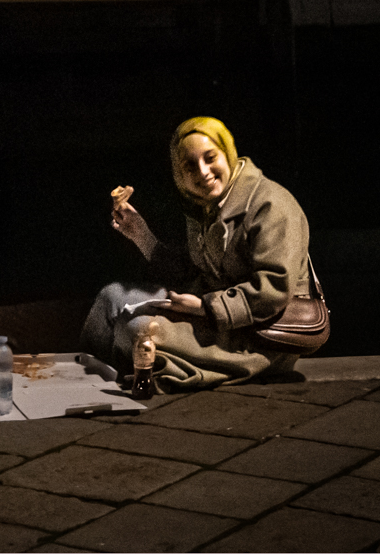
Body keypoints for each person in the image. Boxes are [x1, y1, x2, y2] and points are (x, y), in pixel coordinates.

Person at [81, 116, 311, 391]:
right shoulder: (206, 206)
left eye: (210, 158)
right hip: (214, 317)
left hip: (260, 338)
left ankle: (128, 376)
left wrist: (205, 308)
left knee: (137, 330)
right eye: (189, 166)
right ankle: (83, 380)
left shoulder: (270, 205)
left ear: (227, 153)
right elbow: (191, 274)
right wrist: (141, 235)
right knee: (110, 296)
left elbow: (273, 289)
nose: (203, 172)